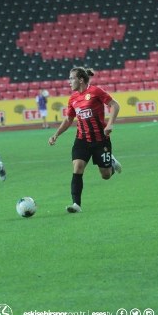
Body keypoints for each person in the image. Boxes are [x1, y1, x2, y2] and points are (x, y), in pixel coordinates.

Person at [48, 67, 122, 213]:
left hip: (101, 139)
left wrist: (110, 124)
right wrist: (56, 134)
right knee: (78, 167)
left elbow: (115, 105)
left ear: (80, 79)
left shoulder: (95, 91)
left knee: (105, 175)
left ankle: (111, 163)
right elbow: (69, 119)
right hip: (82, 139)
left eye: (71, 78)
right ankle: (76, 204)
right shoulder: (73, 98)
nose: (69, 82)